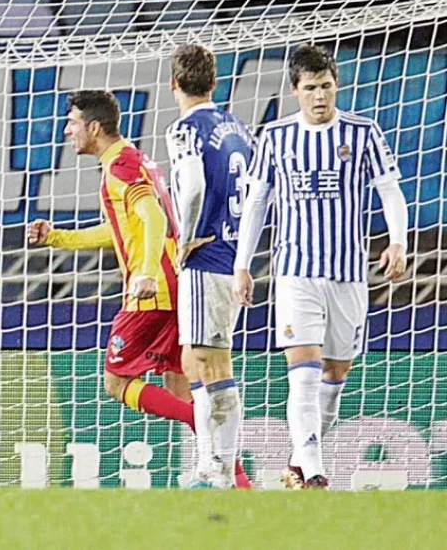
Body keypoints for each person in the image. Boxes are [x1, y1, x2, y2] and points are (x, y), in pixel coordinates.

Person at [28, 89, 251, 488]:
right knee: (182, 389)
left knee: (116, 382)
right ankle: (235, 482)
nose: (67, 131)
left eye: (73, 123)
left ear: (94, 128)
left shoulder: (122, 169)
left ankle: (210, 453)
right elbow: (122, 231)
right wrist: (58, 238)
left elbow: (152, 218)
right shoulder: (135, 160)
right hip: (178, 284)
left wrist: (145, 273)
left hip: (153, 291)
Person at [233, 44, 408, 490]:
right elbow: (256, 203)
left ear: (337, 85)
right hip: (295, 270)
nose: (319, 96)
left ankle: (299, 456)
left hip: (349, 272)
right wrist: (242, 265)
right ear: (295, 91)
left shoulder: (363, 132)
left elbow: (389, 189)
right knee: (304, 368)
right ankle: (314, 469)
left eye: (326, 86)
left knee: (335, 372)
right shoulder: (275, 137)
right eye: (310, 88)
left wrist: (398, 242)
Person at [164, 44, 253, 489]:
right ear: (215, 82)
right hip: (233, 255)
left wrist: (186, 237)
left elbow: (194, 183)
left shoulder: (184, 128)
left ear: (173, 83)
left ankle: (218, 469)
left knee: (212, 364)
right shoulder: (238, 127)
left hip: (206, 256)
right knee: (193, 361)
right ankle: (208, 462)